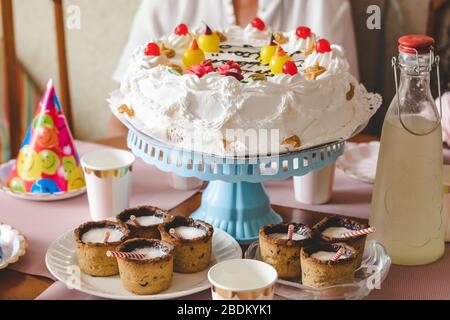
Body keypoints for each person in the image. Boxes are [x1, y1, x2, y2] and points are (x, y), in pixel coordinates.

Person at [110, 0, 359, 135]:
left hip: (295, 182)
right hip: (182, 182)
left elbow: (343, 103)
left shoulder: (326, 4)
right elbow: (126, 112)